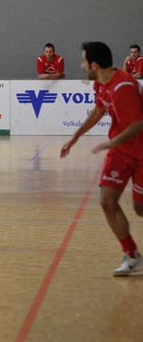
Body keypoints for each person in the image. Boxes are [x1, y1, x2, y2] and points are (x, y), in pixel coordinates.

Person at [61, 42, 143, 276]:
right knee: (107, 201)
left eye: (84, 61)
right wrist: (75, 137)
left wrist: (110, 142)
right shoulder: (100, 84)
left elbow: (138, 123)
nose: (82, 65)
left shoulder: (124, 86)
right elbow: (99, 110)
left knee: (140, 208)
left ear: (94, 65)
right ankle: (132, 254)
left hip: (140, 151)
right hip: (119, 152)